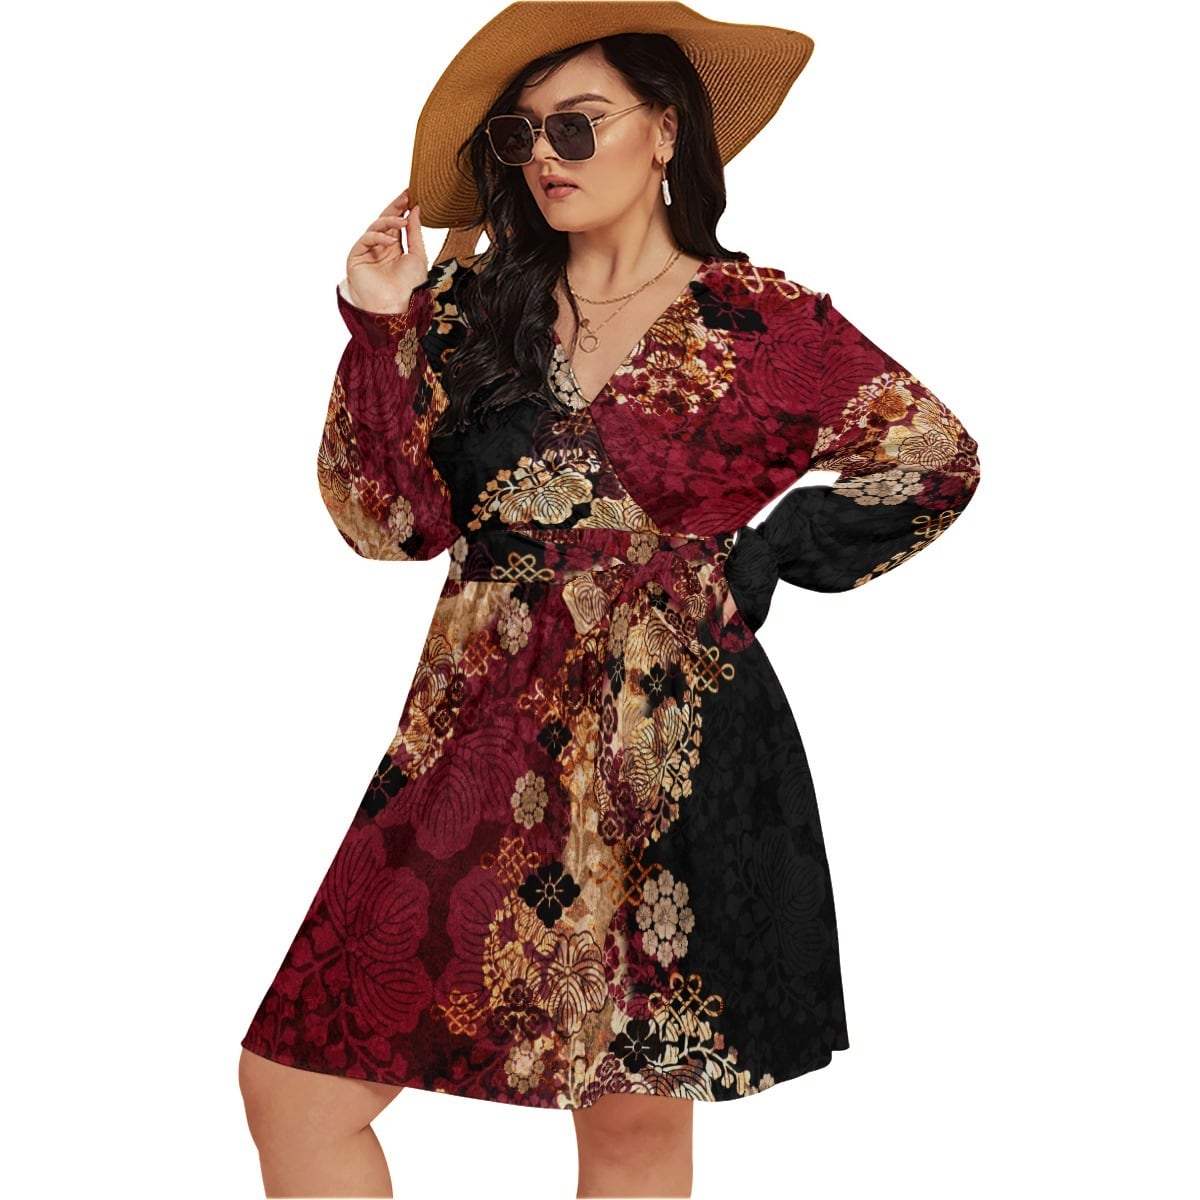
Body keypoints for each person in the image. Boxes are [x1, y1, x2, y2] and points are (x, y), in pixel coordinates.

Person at [237, 3, 982, 1197]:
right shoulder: (468, 311)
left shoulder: (761, 323)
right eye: (522, 133)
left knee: (632, 1126)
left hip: (674, 747)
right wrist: (382, 329)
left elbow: (935, 458)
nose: (544, 156)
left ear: (665, 131)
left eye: (576, 126)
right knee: (294, 1085)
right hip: (474, 742)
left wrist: (763, 557)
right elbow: (387, 526)